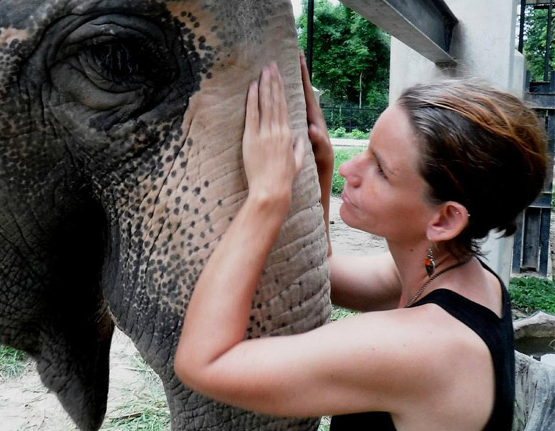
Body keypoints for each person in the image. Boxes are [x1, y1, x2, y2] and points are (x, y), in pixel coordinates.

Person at [174, 56, 548, 430]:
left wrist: (267, 199)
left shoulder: (424, 349)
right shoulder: (462, 279)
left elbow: (204, 364)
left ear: (445, 219)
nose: (348, 172)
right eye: (365, 150)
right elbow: (325, 275)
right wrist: (320, 167)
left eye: (381, 170)